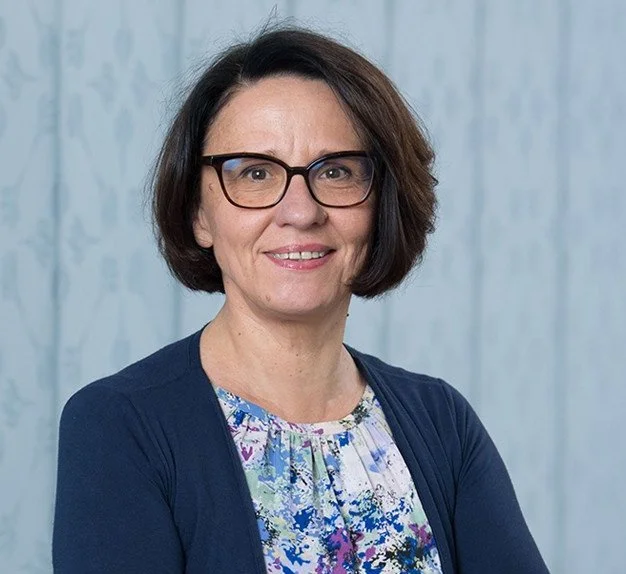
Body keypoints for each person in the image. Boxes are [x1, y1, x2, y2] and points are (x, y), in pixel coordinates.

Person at [52, 26, 549, 574]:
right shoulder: (120, 426)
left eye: (335, 172)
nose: (300, 211)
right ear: (199, 214)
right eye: (255, 173)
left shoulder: (441, 422)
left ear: (382, 203)